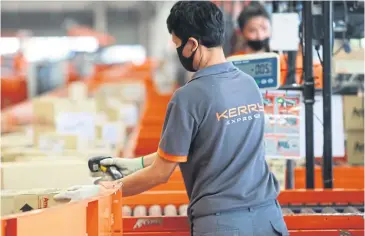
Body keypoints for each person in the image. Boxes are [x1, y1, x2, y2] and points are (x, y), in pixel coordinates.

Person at [55, 1, 288, 235]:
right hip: (269, 218)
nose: (179, 52)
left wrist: (103, 191)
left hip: (223, 224)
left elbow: (160, 173)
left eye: (178, 44)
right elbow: (204, 146)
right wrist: (135, 164)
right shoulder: (249, 85)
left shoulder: (188, 97)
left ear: (192, 44)